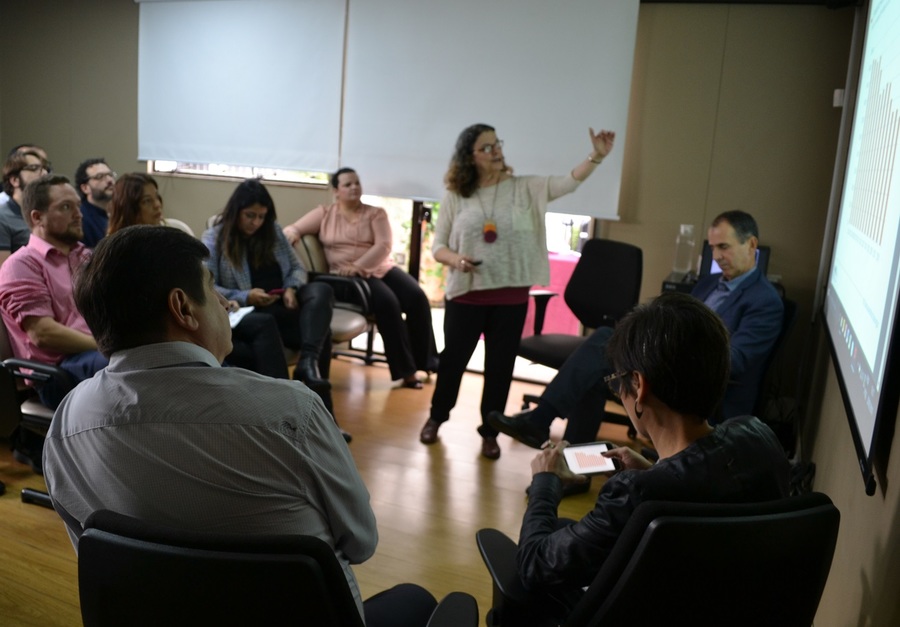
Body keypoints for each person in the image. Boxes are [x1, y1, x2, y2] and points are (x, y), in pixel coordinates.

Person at [42, 225, 438, 627]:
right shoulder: (290, 413)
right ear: (183, 308)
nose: (223, 303)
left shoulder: (67, 425)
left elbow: (102, 558)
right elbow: (361, 541)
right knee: (417, 600)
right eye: (212, 288)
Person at [510, 292, 790, 622]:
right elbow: (705, 487)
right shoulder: (758, 437)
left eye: (617, 383)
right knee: (559, 529)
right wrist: (655, 468)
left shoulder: (635, 494)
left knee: (523, 568)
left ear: (639, 387)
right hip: (721, 605)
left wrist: (545, 482)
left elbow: (535, 565)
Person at [490, 210, 784, 458]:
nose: (717, 256)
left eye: (725, 247)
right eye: (713, 249)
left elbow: (736, 361)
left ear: (752, 244)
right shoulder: (709, 284)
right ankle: (573, 467)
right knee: (597, 370)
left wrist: (664, 350)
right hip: (670, 373)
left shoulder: (765, 301)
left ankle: (543, 421)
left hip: (704, 392)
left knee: (603, 345)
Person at [419, 123, 616, 460]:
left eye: (497, 144)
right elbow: (438, 246)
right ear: (470, 156)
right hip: (466, 295)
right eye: (487, 147)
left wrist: (595, 157)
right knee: (453, 363)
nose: (497, 151)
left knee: (500, 368)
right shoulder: (456, 195)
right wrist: (455, 259)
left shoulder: (525, 188)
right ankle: (437, 417)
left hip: (510, 299)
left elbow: (567, 182)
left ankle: (490, 431)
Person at [107, 173, 293, 382]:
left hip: (197, 313)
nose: (157, 205)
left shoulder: (165, 239)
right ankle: (280, 398)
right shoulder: (117, 254)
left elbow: (197, 282)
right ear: (128, 206)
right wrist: (236, 298)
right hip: (171, 325)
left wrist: (218, 301)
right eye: (147, 201)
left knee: (257, 342)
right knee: (256, 336)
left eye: (157, 197)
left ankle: (281, 395)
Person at [284, 167, 438, 388]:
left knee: (417, 297)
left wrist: (358, 265)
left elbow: (383, 245)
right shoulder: (325, 213)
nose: (354, 187)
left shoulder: (375, 213)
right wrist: (292, 233)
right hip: (347, 279)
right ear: (336, 191)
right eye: (348, 184)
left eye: (357, 183)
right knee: (388, 304)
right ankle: (407, 372)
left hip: (378, 268)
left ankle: (428, 361)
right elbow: (294, 228)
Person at [0, 174, 109, 473]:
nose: (79, 213)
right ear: (38, 217)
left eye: (77, 205)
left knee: (168, 354)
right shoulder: (21, 264)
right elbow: (42, 334)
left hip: (94, 356)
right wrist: (109, 344)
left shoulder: (84, 256)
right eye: (66, 207)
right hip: (57, 371)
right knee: (128, 368)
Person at [202, 179, 335, 399]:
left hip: (282, 302)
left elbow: (296, 268)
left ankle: (309, 368)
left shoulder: (272, 231)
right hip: (252, 312)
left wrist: (291, 288)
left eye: (262, 216)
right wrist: (247, 296)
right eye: (250, 216)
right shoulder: (214, 238)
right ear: (236, 212)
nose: (256, 222)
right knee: (322, 333)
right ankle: (295, 402)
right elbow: (208, 285)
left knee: (322, 291)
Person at [1, 150, 50, 264]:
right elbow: (3, 272)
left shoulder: (48, 214)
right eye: (34, 168)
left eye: (44, 168)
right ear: (15, 180)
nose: (44, 174)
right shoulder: (3, 218)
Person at [73, 157, 116, 247]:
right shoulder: (80, 218)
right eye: (99, 177)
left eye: (110, 175)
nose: (109, 180)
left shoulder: (116, 213)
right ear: (85, 188)